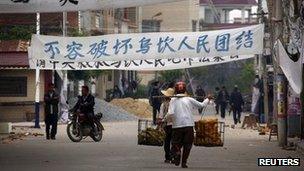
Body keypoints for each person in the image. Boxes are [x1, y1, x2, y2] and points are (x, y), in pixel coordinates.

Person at [167, 81, 211, 168]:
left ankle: (178, 152)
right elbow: (201, 105)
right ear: (185, 90)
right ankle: (184, 163)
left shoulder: (172, 100)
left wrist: (165, 120)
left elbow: (170, 113)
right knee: (188, 145)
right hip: (189, 126)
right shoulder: (189, 99)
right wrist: (207, 99)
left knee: (176, 143)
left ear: (175, 91)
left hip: (177, 126)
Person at [157, 88, 175, 163]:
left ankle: (168, 157)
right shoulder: (175, 104)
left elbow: (161, 115)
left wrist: (160, 121)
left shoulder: (163, 104)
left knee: (167, 141)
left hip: (167, 125)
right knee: (174, 142)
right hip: (175, 125)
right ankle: (174, 156)